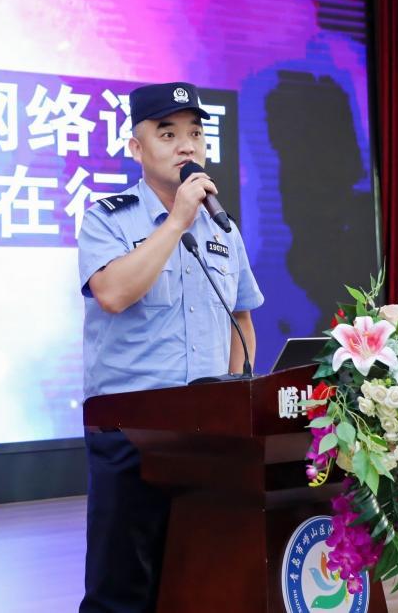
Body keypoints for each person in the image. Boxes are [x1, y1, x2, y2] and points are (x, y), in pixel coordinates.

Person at [77, 81, 264, 612]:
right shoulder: (107, 217)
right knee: (121, 591)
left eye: (196, 133)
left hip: (205, 434)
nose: (187, 145)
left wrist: (237, 402)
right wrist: (177, 219)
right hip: (129, 432)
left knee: (197, 580)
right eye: (167, 134)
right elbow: (113, 293)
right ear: (136, 148)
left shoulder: (223, 229)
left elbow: (241, 319)